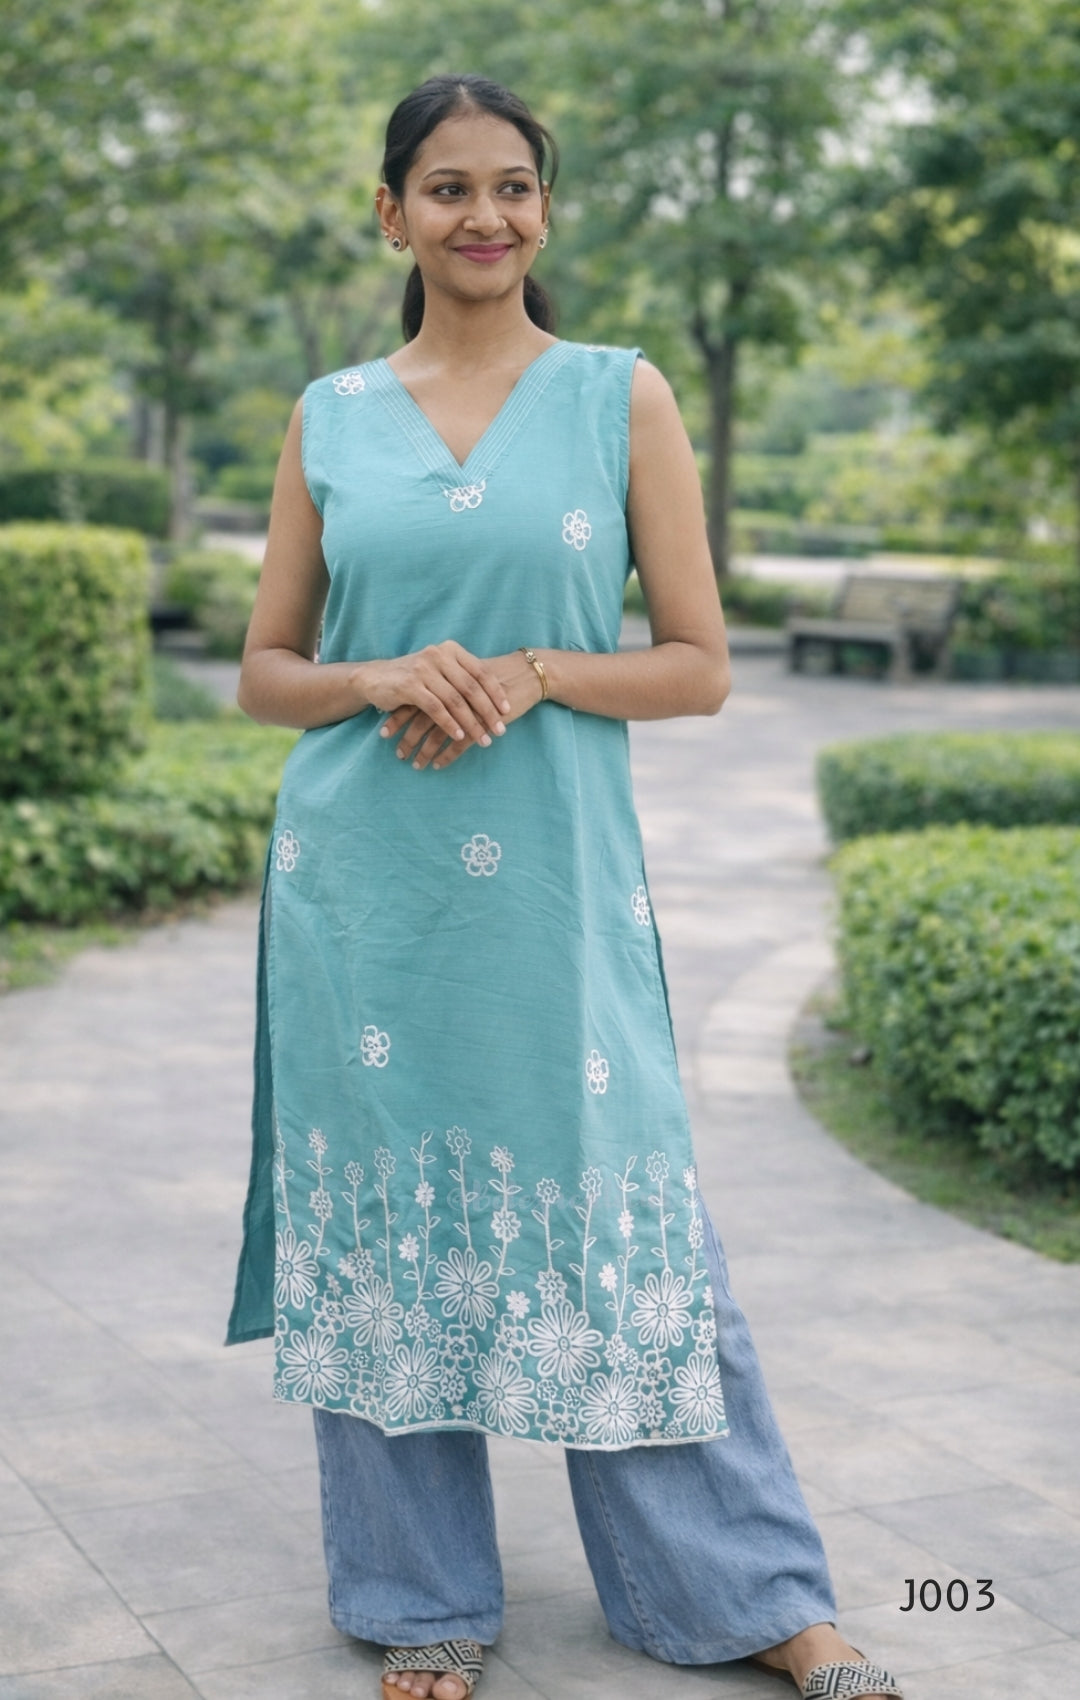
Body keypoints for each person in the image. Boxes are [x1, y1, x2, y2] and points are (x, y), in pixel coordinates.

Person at [226, 72, 904, 1700]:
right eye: (447, 189)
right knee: (393, 1217)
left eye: (514, 187)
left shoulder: (621, 396)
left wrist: (536, 669)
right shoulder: (330, 412)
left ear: (548, 209)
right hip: (364, 889)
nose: (484, 216)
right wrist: (383, 672)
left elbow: (698, 666)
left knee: (625, 1212)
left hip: (552, 882)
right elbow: (264, 671)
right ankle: (418, 1600)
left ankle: (747, 1593)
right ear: (390, 214)